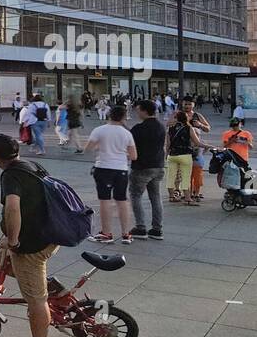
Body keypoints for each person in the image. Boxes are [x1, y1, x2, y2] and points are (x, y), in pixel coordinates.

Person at [0, 133, 61, 337]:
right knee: (0, 261)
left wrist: (14, 240)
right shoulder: (32, 165)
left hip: (32, 244)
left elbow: (13, 208)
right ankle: (50, 285)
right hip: (49, 233)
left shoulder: (11, 175)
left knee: (36, 300)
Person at [85, 103, 137, 243]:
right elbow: (133, 156)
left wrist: (100, 148)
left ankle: (107, 233)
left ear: (109, 115)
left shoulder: (99, 130)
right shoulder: (127, 133)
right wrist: (120, 153)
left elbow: (88, 148)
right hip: (121, 169)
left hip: (103, 168)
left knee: (105, 200)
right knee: (122, 200)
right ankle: (126, 234)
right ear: (124, 118)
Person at [128, 99, 165, 240]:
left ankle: (140, 227)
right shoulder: (161, 127)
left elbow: (130, 144)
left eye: (138, 110)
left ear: (144, 111)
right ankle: (157, 229)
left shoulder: (138, 128)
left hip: (141, 167)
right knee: (155, 197)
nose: (137, 112)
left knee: (135, 196)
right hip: (158, 166)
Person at [165, 110, 201, 206]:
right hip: (185, 155)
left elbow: (167, 144)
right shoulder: (189, 128)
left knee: (170, 176)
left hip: (172, 155)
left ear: (176, 118)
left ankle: (171, 197)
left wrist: (166, 155)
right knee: (185, 177)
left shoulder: (170, 128)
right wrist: (208, 146)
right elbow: (197, 143)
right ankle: (188, 199)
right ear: (187, 118)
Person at [182, 97, 211, 201]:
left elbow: (208, 128)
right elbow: (169, 125)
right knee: (185, 172)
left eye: (189, 104)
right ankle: (187, 193)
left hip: (196, 148)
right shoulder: (179, 115)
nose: (187, 106)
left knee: (197, 171)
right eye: (185, 104)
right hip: (183, 148)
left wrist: (200, 125)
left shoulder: (197, 116)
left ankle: (197, 192)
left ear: (193, 105)